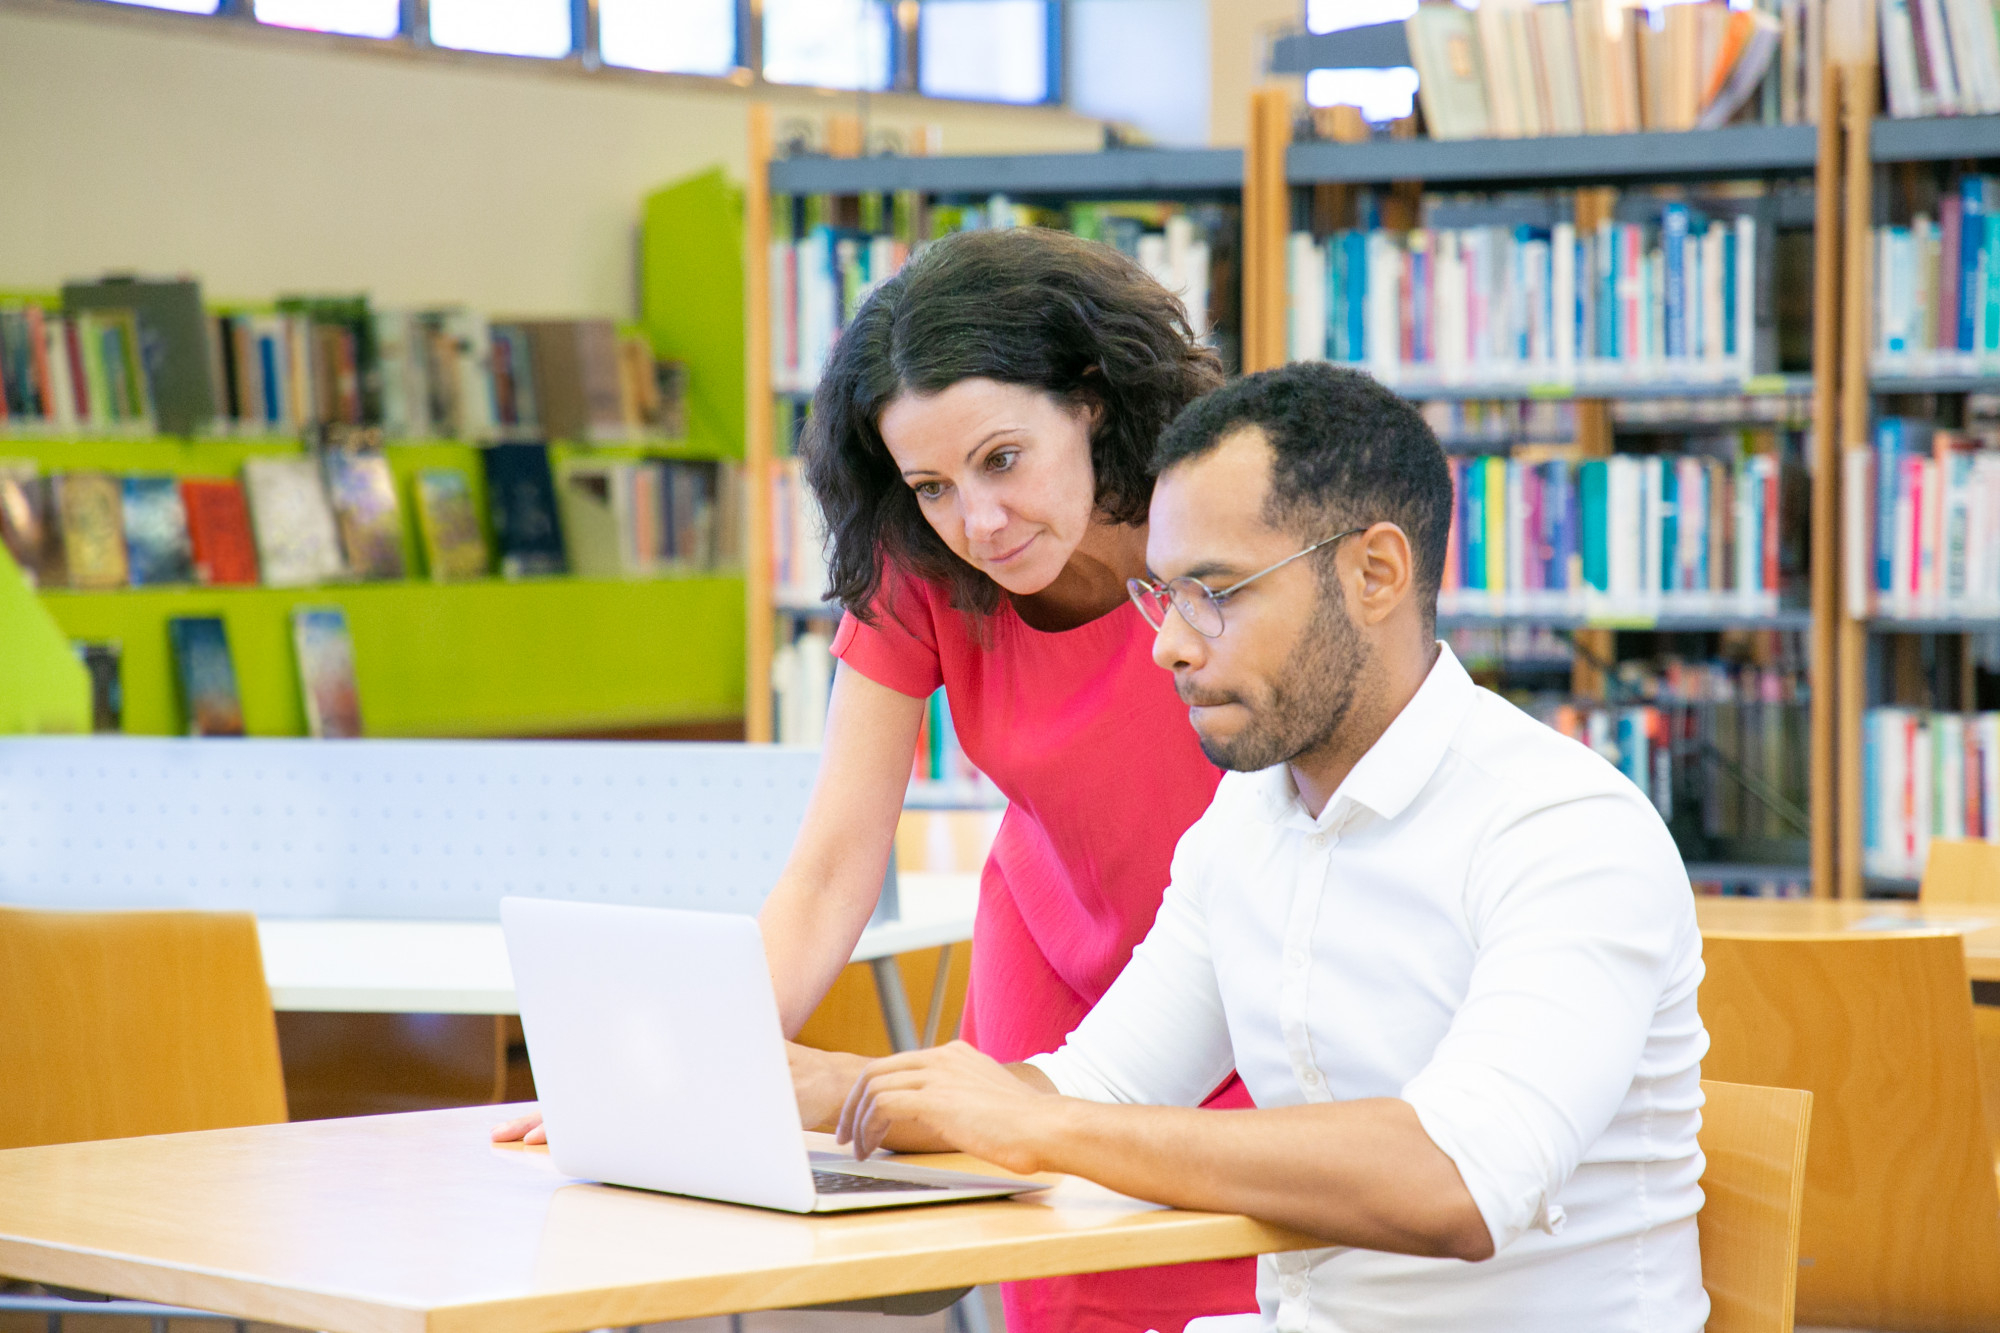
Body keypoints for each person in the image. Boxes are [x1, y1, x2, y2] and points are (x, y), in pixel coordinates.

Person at [804, 362, 1710, 1333]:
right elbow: (1096, 1084)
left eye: (1216, 591)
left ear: (1373, 573)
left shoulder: (1562, 829)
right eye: (1164, 594)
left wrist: (1041, 1123)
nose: (1169, 647)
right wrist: (809, 1088)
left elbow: (1456, 1179)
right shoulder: (1245, 824)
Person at [497, 227, 1256, 1333]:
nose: (978, 523)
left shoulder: (1218, 527)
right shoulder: (921, 565)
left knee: (1225, 1280)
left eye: (1002, 459)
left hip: (1238, 965)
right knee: (1068, 1293)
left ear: (1090, 398)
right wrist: (673, 1085)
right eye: (933, 484)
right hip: (1049, 957)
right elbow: (830, 869)